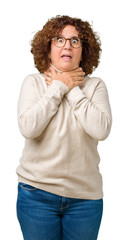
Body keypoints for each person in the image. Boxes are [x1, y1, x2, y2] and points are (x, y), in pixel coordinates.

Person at [16, 15, 112, 240]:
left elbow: (101, 130)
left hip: (85, 200)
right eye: (59, 40)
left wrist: (72, 88)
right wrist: (59, 86)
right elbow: (29, 128)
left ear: (83, 51)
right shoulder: (34, 83)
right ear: (48, 50)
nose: (67, 45)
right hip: (36, 195)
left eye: (75, 41)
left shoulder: (96, 86)